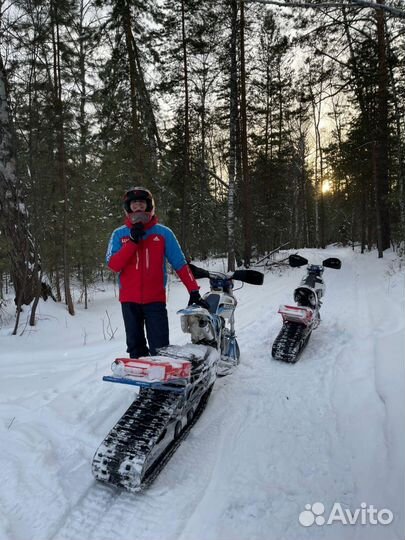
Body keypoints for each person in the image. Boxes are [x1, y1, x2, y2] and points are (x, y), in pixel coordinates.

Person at [106, 187, 207, 358]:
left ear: (149, 206)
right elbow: (113, 265)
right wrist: (131, 242)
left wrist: (194, 290)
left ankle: (160, 382)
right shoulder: (119, 234)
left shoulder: (163, 233)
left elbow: (180, 264)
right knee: (135, 348)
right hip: (129, 302)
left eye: (142, 203)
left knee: (160, 348)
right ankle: (144, 384)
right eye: (134, 204)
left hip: (155, 301)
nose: (138, 207)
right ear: (128, 208)